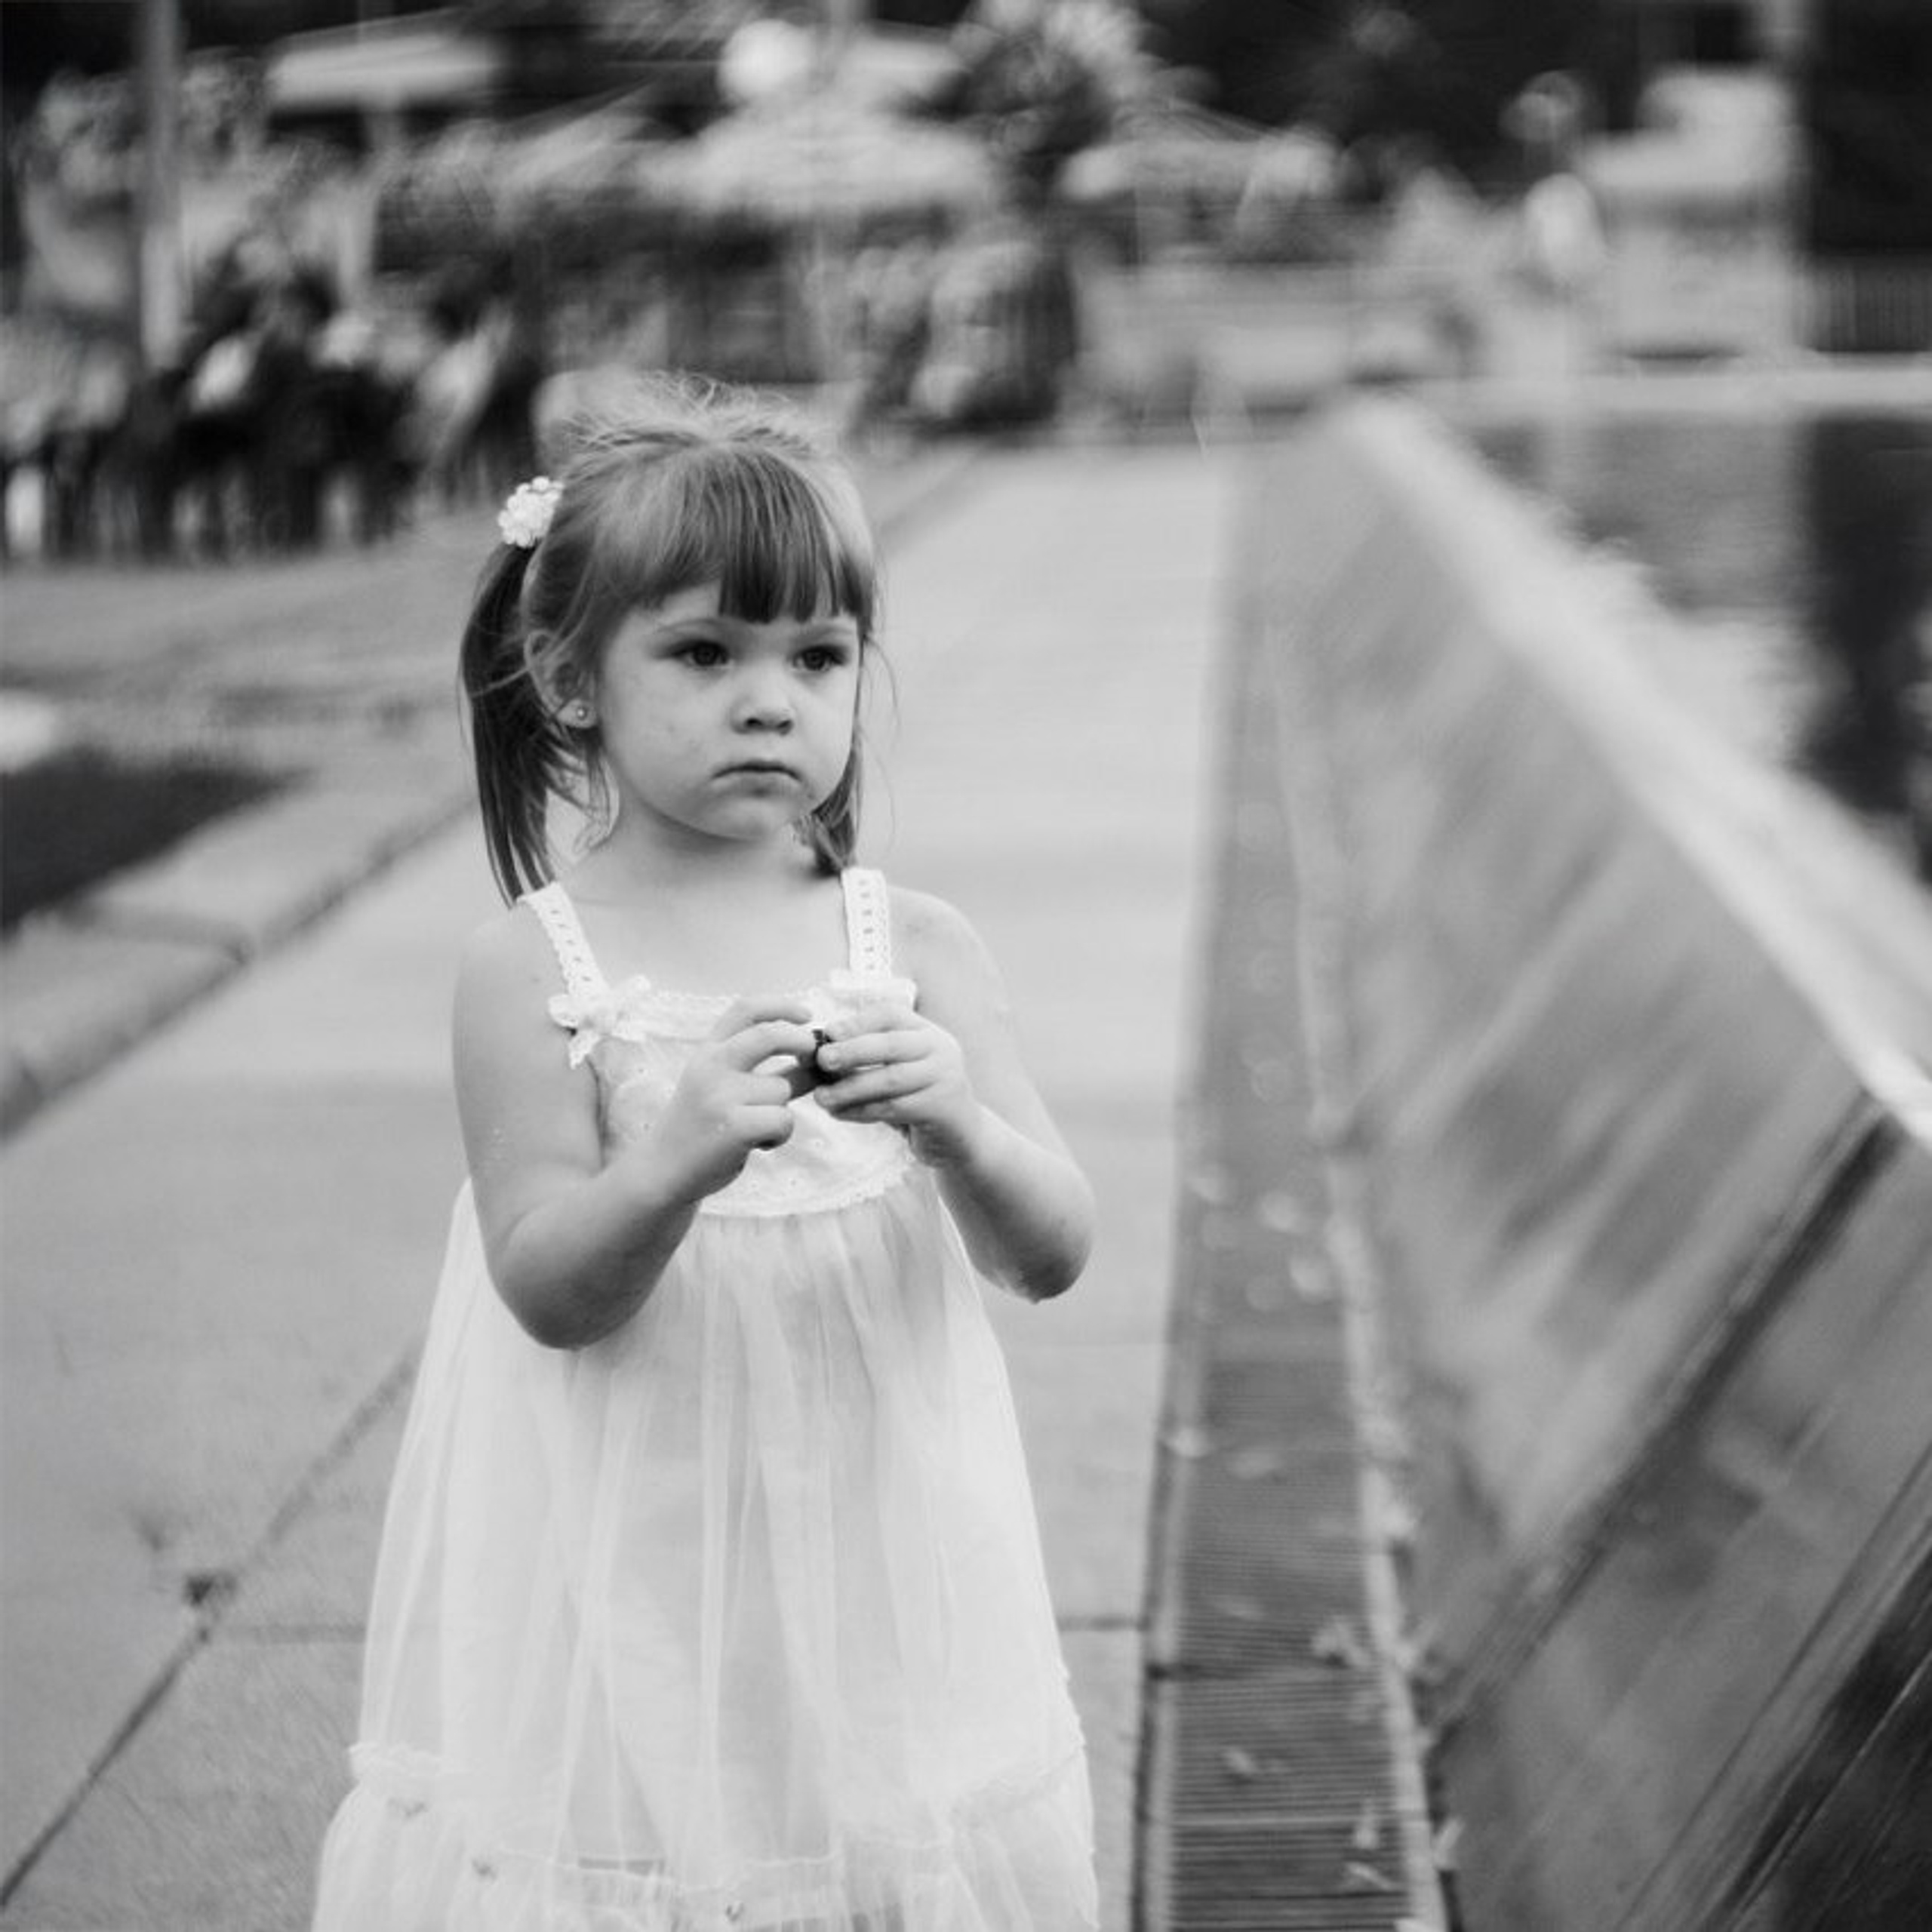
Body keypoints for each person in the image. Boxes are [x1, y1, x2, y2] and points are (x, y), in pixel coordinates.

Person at [312, 377, 1100, 1931]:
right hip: (630, 1570)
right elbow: (548, 1287)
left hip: (877, 1566)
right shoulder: (531, 968)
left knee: (869, 1853)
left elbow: (1053, 1249)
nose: (769, 700)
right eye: (703, 653)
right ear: (570, 678)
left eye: (816, 655)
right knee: (653, 1865)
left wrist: (957, 1122)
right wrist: (667, 1161)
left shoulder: (913, 945)